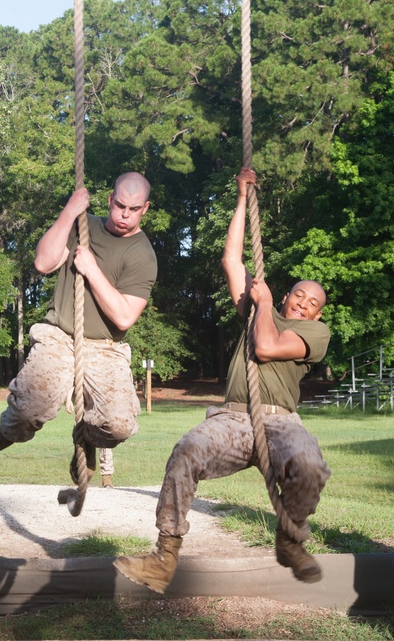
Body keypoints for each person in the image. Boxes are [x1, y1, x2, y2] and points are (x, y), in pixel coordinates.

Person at [116, 167, 331, 594]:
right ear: (288, 295)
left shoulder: (313, 334)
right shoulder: (255, 310)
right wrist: (240, 200)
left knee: (310, 467)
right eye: (298, 296)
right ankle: (164, 557)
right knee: (186, 452)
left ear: (317, 314)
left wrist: (265, 302)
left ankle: (290, 541)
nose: (304, 305)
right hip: (233, 419)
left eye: (313, 303)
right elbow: (232, 260)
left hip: (281, 422)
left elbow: (268, 347)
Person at [0, 173, 156, 481]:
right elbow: (43, 262)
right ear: (110, 200)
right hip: (59, 337)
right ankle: (4, 434)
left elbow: (123, 317)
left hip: (106, 348)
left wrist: (91, 270)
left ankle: (87, 439)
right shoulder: (82, 226)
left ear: (145, 209)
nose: (125, 214)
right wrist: (70, 210)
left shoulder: (143, 254)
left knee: (119, 425)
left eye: (133, 209)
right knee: (27, 410)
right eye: (119, 205)